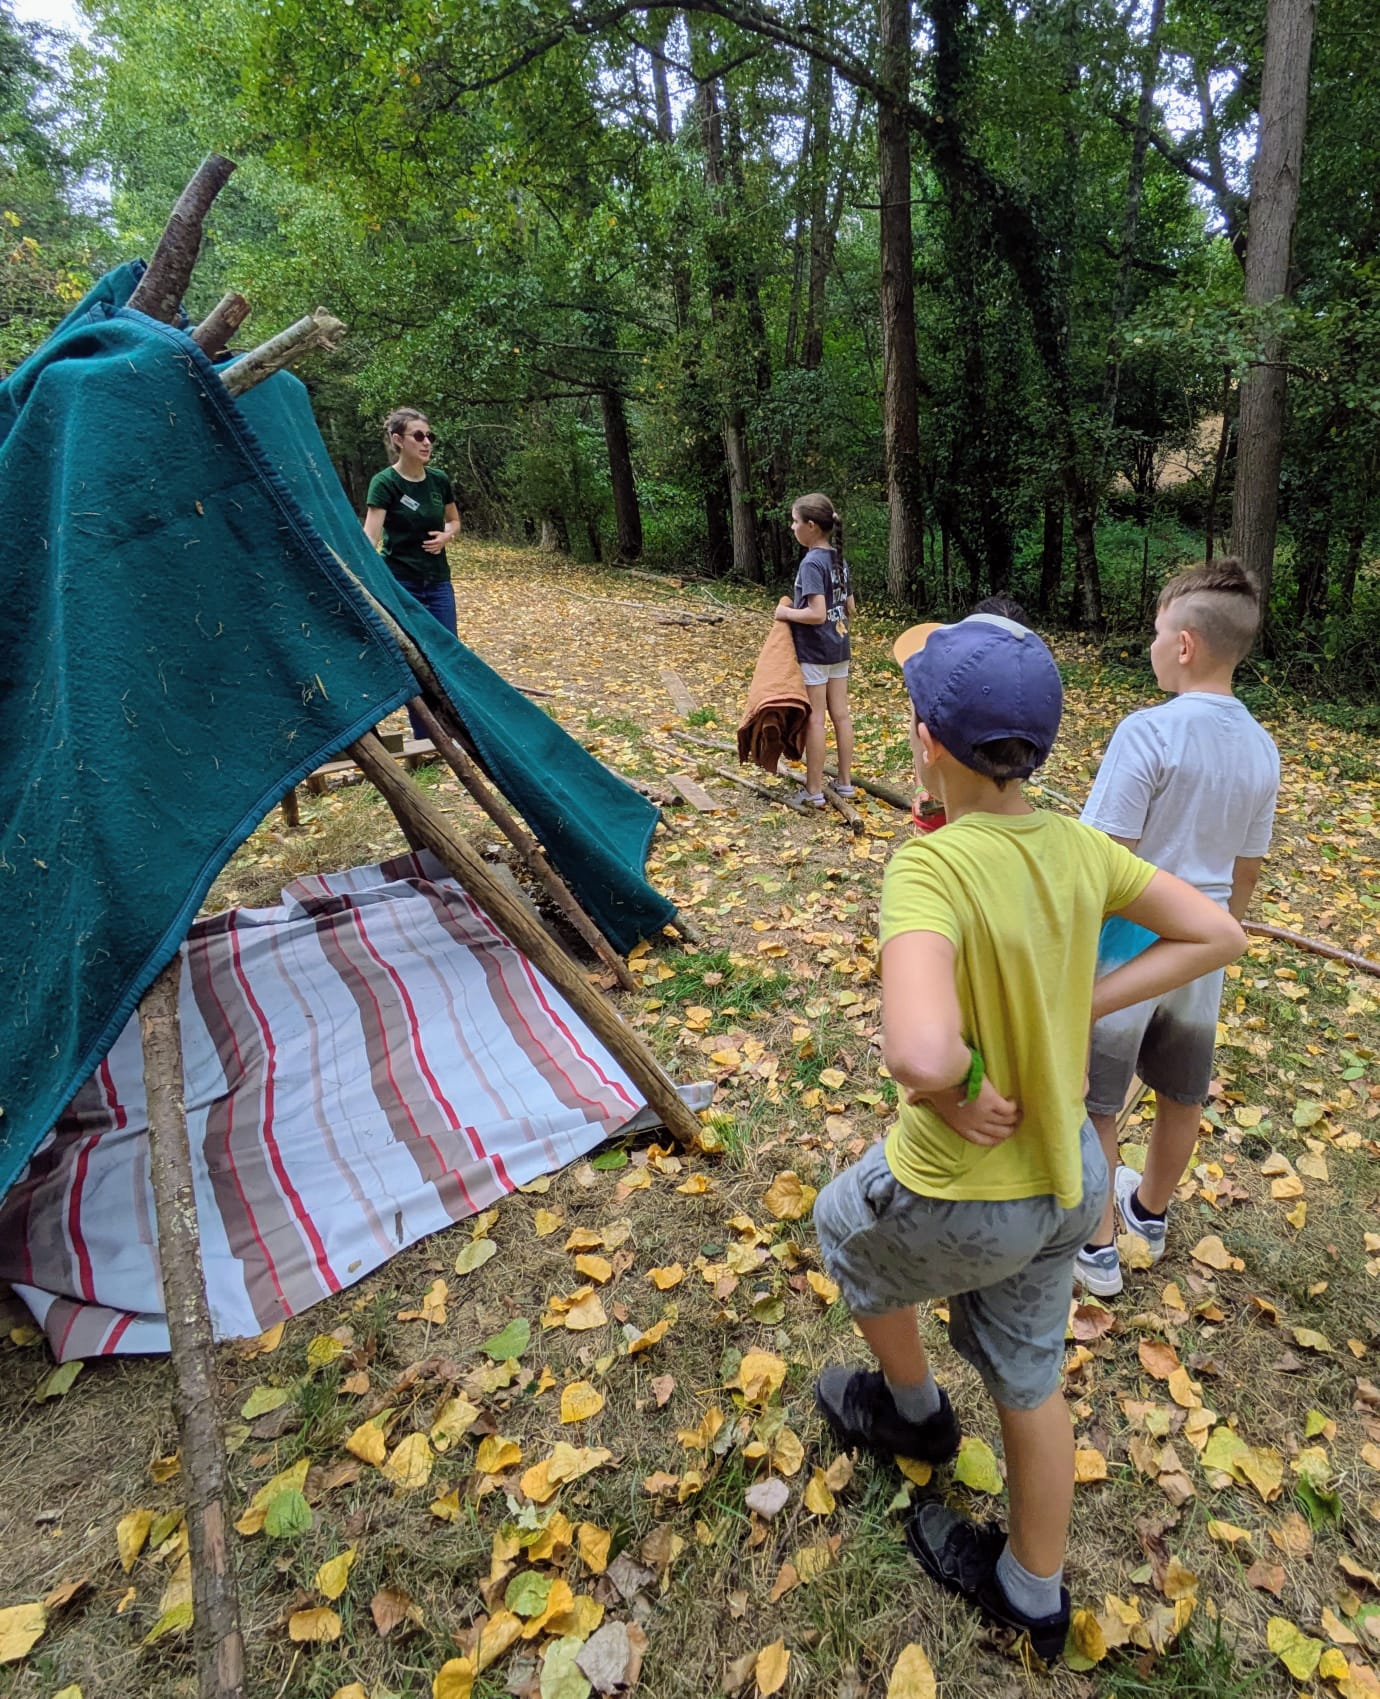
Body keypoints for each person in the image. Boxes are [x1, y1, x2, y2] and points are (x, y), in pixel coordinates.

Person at [811, 614, 1244, 1662]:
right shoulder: (1079, 844)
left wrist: (955, 1081)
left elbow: (917, 1048)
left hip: (967, 1190)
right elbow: (1219, 932)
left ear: (925, 742)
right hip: (1072, 1181)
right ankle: (1032, 1590)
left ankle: (911, 1412)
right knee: (1029, 1374)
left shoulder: (930, 870)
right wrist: (1091, 994)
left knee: (841, 1224)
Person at [1074, 559, 1280, 1297]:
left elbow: (1103, 862)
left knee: (1096, 1098)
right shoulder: (1263, 749)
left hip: (1130, 936)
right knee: (1179, 1092)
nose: (1152, 645)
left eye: (1157, 632)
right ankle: (1148, 1213)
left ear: (1185, 644)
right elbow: (1245, 873)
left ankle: (1097, 1248)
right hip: (1206, 944)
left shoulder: (1146, 732)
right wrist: (1221, 936)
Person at [364, 407, 462, 738]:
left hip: (437, 582)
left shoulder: (438, 481)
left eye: (429, 436)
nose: (426, 442)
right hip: (401, 584)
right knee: (415, 659)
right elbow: (370, 538)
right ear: (397, 440)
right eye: (418, 436)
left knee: (447, 654)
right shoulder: (385, 483)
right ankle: (427, 737)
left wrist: (447, 535)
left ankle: (455, 730)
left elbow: (454, 520)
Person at [774, 493, 855, 808]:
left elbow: (816, 613)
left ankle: (814, 790)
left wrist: (786, 613)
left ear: (810, 526)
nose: (792, 526)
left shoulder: (811, 562)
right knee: (842, 716)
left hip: (817, 651)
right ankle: (845, 783)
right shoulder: (838, 558)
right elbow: (850, 607)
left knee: (816, 720)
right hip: (839, 647)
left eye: (795, 521)